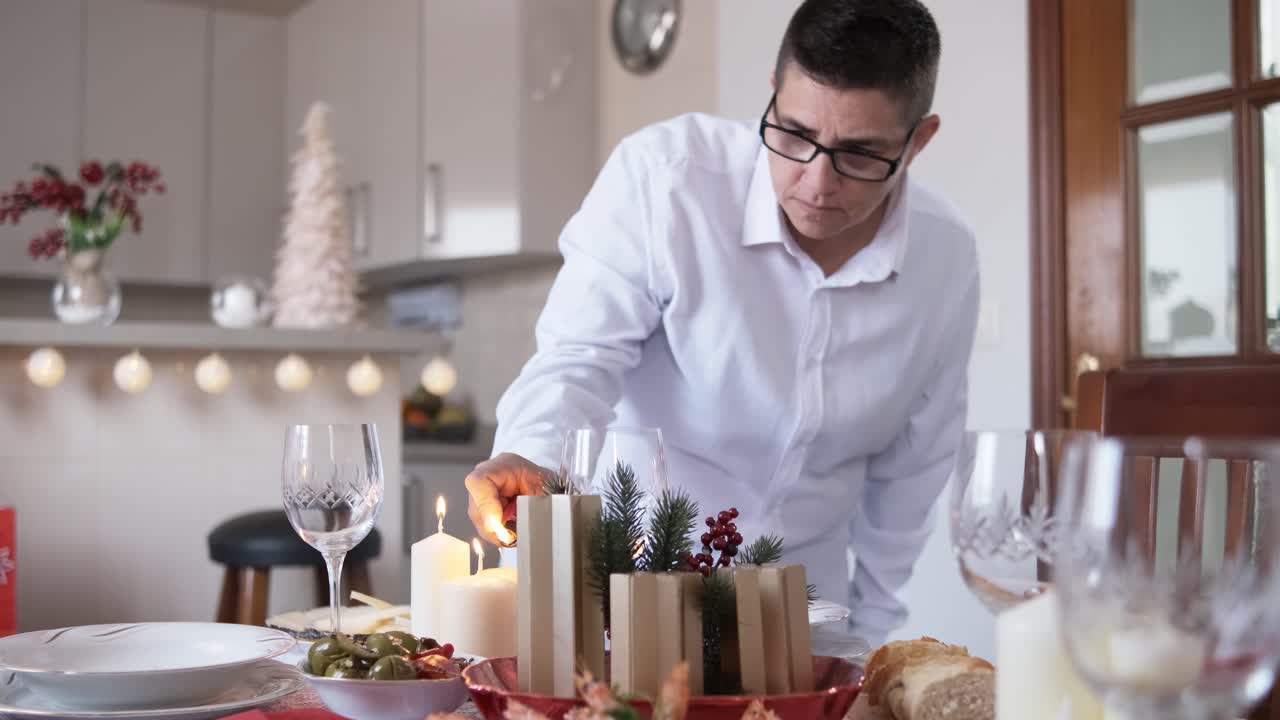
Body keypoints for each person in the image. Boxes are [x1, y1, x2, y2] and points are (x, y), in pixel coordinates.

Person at [465, 0, 977, 645]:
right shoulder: (666, 179)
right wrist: (531, 453)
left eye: (859, 154)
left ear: (918, 141)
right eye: (794, 134)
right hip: (629, 594)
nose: (816, 181)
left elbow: (915, 464)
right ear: (773, 96)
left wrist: (869, 640)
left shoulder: (946, 256)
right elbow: (578, 358)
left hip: (804, 609)